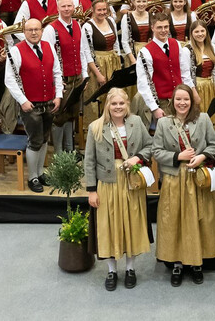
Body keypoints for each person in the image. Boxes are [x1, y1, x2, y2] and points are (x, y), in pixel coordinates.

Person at [151, 83, 215, 286]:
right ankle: (177, 263)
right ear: (173, 102)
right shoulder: (164, 123)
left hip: (198, 178)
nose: (182, 103)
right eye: (178, 99)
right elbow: (156, 151)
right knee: (175, 220)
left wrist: (201, 156)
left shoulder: (204, 119)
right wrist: (177, 156)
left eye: (186, 99)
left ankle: (197, 263)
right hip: (174, 179)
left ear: (192, 101)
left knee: (199, 219)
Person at [84, 88, 152, 290]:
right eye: (114, 104)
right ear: (107, 105)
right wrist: (91, 190)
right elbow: (89, 161)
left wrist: (137, 158)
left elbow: (149, 146)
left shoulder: (137, 123)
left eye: (121, 103)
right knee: (109, 226)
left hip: (131, 181)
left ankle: (130, 268)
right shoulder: (95, 127)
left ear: (127, 105)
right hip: (107, 183)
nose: (118, 107)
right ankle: (112, 270)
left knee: (131, 224)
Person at [3, 18, 63, 193]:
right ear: (24, 31)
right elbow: (10, 79)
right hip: (30, 104)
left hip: (50, 102)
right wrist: (22, 100)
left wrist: (58, 95)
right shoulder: (16, 50)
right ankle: (32, 177)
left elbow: (57, 72)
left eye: (37, 29)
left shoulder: (48, 46)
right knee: (34, 140)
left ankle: (40, 173)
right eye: (30, 30)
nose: (34, 32)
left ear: (42, 30)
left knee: (44, 138)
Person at [42, 0, 95, 154]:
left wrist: (84, 75)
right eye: (63, 6)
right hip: (62, 80)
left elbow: (83, 51)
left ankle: (70, 151)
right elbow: (47, 58)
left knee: (71, 114)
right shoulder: (51, 29)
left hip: (77, 77)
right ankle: (59, 154)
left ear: (74, 7)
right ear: (57, 8)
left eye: (69, 6)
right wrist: (55, 81)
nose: (67, 9)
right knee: (59, 117)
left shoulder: (79, 25)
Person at [135, 12, 196, 129]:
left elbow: (184, 73)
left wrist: (191, 94)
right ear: (152, 28)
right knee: (168, 135)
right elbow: (144, 84)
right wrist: (154, 108)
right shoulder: (145, 52)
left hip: (180, 98)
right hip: (162, 101)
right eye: (159, 27)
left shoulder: (176, 44)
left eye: (166, 27)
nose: (163, 30)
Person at [83, 0, 127, 129]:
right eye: (99, 10)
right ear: (92, 10)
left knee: (113, 96)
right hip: (97, 64)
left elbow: (116, 45)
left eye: (104, 10)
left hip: (112, 61)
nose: (102, 12)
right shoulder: (87, 26)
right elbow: (87, 53)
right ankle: (95, 130)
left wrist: (118, 62)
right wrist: (98, 74)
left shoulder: (111, 21)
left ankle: (114, 126)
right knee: (98, 98)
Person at [187, 20, 215, 131]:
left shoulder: (212, 48)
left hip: (210, 86)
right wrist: (194, 93)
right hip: (197, 87)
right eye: (196, 31)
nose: (200, 34)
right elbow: (185, 74)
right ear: (192, 33)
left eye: (202, 31)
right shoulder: (187, 50)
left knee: (212, 116)